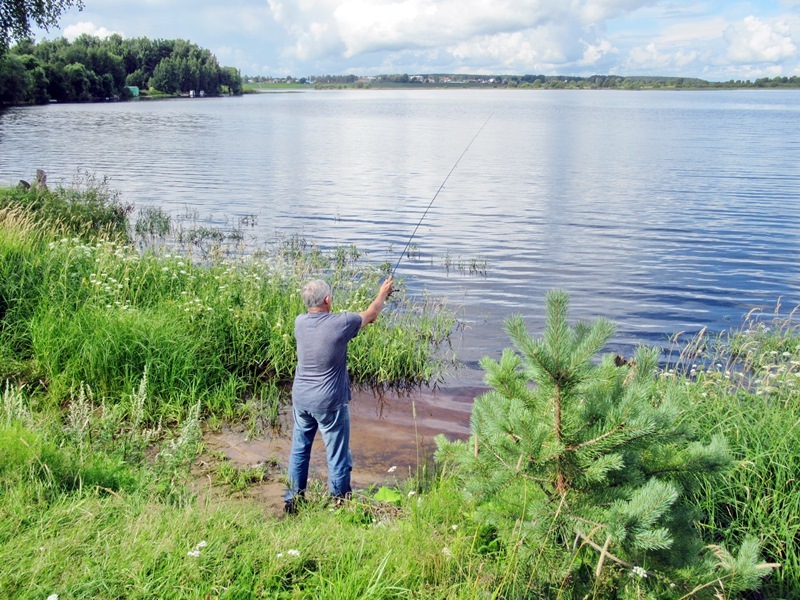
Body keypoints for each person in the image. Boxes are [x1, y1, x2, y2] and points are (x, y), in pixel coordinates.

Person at [284, 275, 394, 513]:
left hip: (301, 398)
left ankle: (293, 500)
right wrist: (383, 293)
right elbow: (371, 315)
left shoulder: (299, 322)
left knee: (300, 449)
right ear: (327, 299)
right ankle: (339, 502)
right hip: (329, 402)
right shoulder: (340, 323)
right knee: (337, 453)